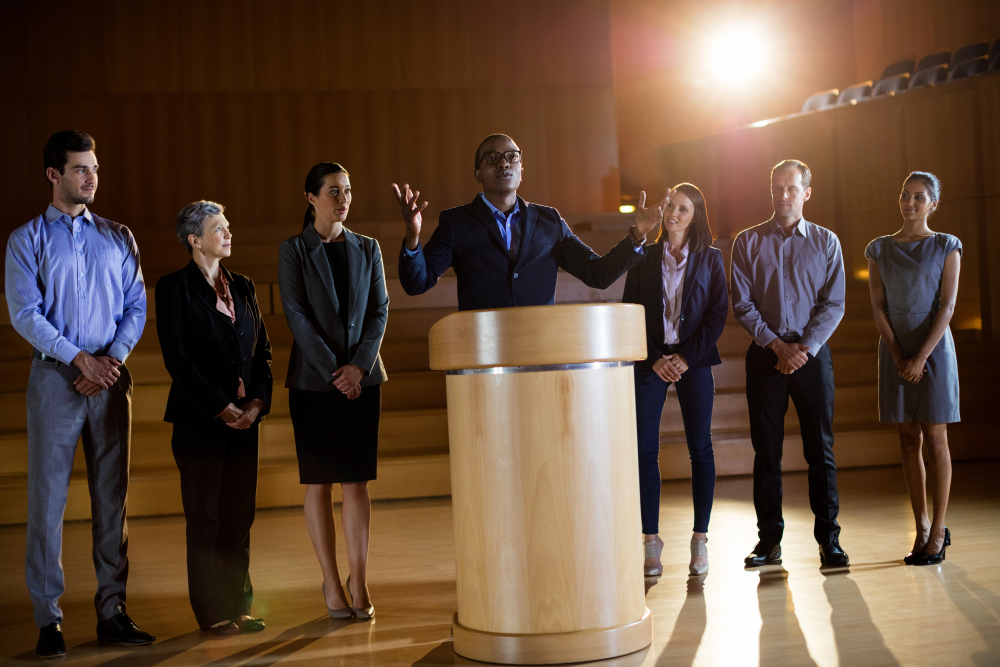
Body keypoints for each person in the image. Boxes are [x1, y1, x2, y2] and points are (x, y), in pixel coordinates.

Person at [5, 130, 153, 658]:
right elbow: (25, 314)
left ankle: (112, 612)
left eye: (94, 167)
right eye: (80, 169)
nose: (92, 177)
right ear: (54, 175)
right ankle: (49, 620)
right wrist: (79, 359)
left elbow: (136, 304)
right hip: (56, 379)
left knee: (112, 500)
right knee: (47, 504)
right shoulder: (25, 240)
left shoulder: (119, 235)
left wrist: (110, 359)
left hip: (112, 379)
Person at [155, 201, 272, 635]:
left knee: (239, 515)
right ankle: (211, 612)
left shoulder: (243, 285)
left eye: (227, 225)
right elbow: (179, 361)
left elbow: (263, 353)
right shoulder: (174, 288)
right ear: (194, 239)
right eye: (217, 228)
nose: (227, 233)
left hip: (246, 421)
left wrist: (256, 404)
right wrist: (221, 407)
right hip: (200, 422)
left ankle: (239, 605)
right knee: (206, 519)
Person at [278, 163, 388, 620]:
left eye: (347, 190)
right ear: (311, 198)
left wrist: (358, 367)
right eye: (332, 191)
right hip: (314, 382)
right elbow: (297, 316)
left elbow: (380, 309)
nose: (342, 198)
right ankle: (330, 578)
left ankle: (358, 579)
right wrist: (335, 372)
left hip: (363, 380)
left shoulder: (369, 247)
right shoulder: (293, 250)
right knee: (319, 484)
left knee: (356, 482)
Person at [730, 159, 850, 569]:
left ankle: (829, 541)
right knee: (767, 454)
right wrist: (776, 346)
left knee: (821, 450)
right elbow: (742, 304)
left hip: (811, 356)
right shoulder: (746, 242)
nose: (783, 195)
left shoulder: (826, 242)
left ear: (806, 193)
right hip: (766, 357)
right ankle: (769, 542)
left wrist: (801, 348)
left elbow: (834, 305)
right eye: (777, 188)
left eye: (791, 188)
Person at [394, 133, 664, 310]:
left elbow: (598, 274)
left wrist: (637, 235)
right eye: (492, 158)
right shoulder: (456, 221)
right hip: (484, 347)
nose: (503, 164)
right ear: (478, 173)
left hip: (539, 347)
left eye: (512, 157)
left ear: (521, 170)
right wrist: (412, 236)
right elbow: (418, 283)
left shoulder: (550, 220)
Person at [623, 183, 728, 577]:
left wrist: (685, 358)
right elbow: (629, 310)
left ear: (695, 215)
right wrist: (654, 359)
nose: (673, 214)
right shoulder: (643, 257)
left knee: (701, 449)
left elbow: (717, 314)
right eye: (669, 206)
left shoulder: (711, 259)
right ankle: (651, 541)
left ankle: (700, 537)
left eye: (683, 209)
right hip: (651, 361)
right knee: (644, 452)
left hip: (694, 361)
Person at [865, 172, 960, 566]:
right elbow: (877, 307)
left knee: (936, 440)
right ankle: (919, 525)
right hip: (894, 347)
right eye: (905, 195)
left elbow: (948, 306)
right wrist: (899, 354)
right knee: (907, 441)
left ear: (933, 204)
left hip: (934, 348)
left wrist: (920, 356)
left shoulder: (946, 245)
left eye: (919, 197)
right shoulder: (879, 248)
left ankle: (939, 529)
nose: (910, 203)